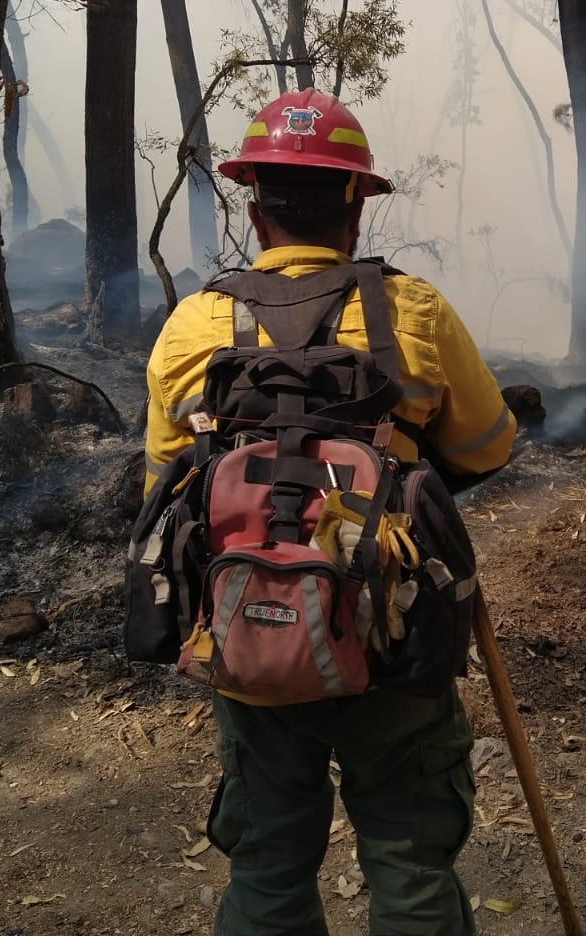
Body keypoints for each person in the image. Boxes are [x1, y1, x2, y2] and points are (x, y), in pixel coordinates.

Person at [143, 88, 516, 936]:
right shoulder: (413, 312)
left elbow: (162, 487)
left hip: (250, 633)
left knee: (268, 868)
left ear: (253, 207)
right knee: (412, 868)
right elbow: (490, 447)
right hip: (394, 629)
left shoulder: (194, 324)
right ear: (355, 201)